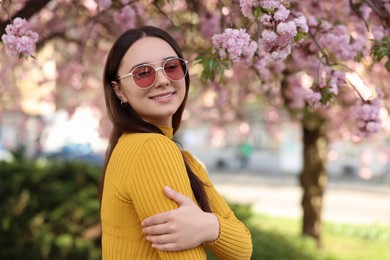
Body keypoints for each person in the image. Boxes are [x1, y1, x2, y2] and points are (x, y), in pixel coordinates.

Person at [100, 25, 253, 259]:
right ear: (118, 90)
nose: (162, 80)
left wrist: (210, 226)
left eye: (171, 67)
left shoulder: (170, 155)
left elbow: (243, 248)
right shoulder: (151, 149)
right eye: (142, 73)